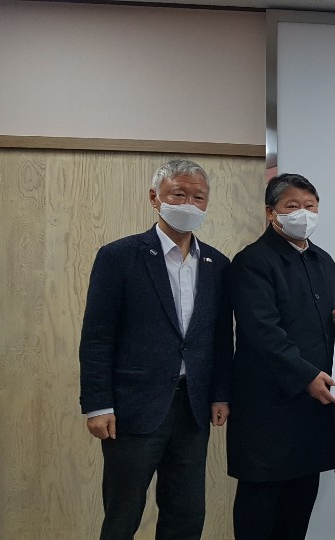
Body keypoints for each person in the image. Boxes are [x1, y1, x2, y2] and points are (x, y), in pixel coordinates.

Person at [78, 159, 232, 540]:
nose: (189, 204)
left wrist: (220, 394)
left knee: (187, 514)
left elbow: (220, 338)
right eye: (179, 194)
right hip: (133, 408)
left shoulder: (217, 264)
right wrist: (98, 405)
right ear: (155, 197)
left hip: (193, 408)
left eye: (199, 197)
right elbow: (97, 337)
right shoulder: (119, 257)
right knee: (123, 515)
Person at [227, 173, 335, 540]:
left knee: (298, 510)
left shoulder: (324, 261)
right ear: (270, 212)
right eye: (292, 206)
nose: (302, 214)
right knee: (260, 510)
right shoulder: (252, 261)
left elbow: (331, 327)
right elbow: (263, 332)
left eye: (310, 206)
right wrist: (305, 375)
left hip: (314, 409)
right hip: (268, 411)